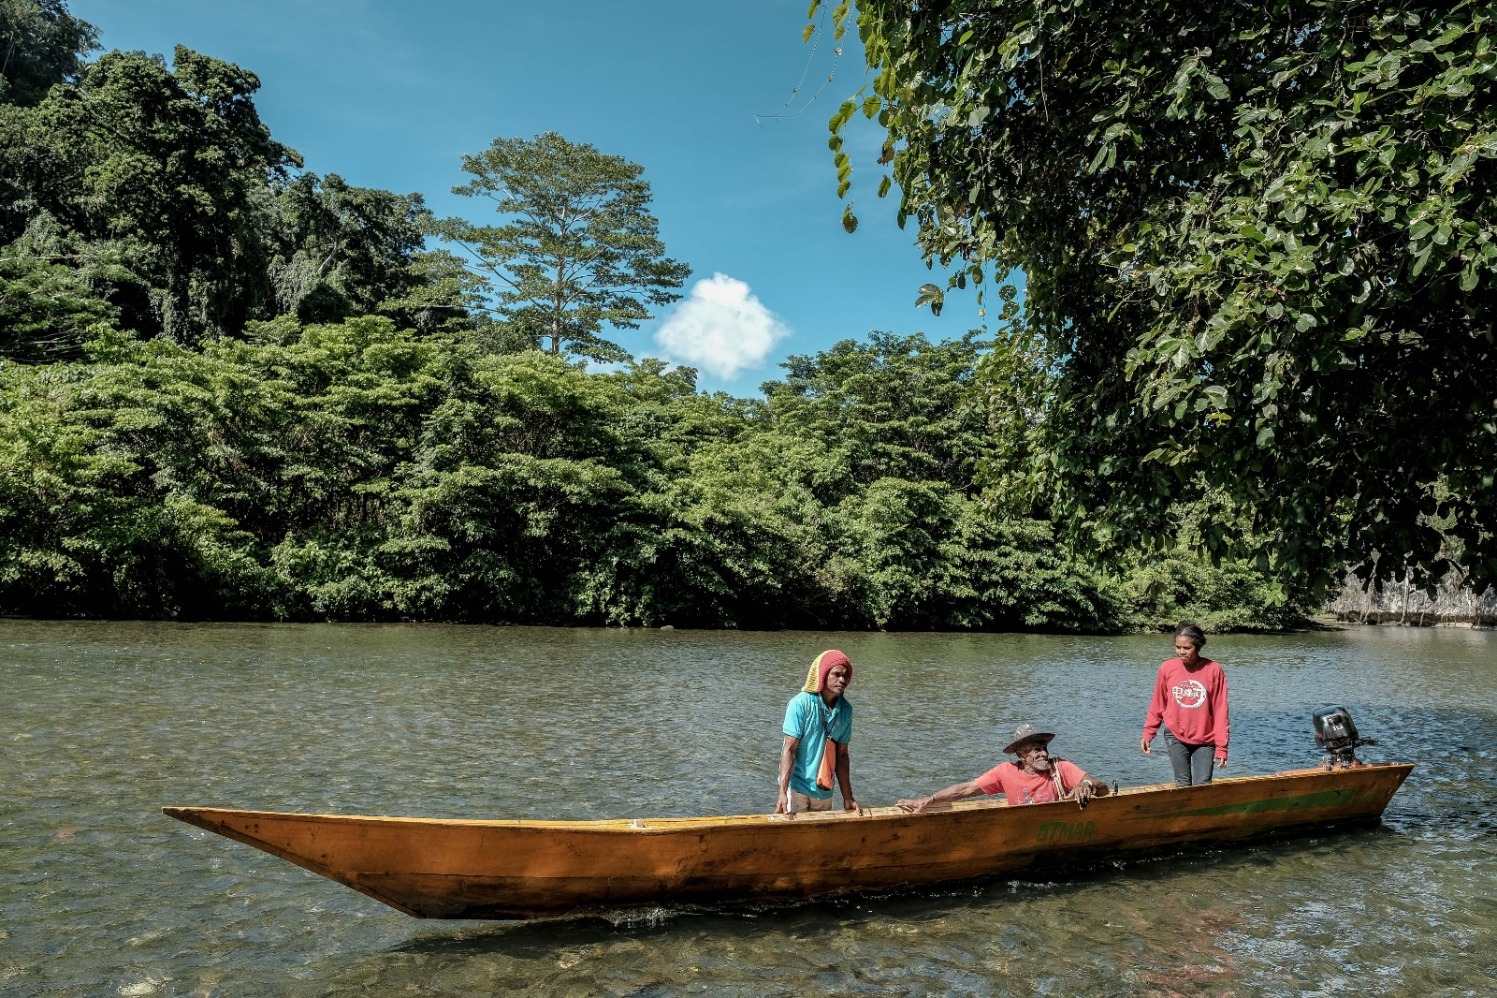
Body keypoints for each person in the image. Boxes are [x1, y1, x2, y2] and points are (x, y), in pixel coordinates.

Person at [896, 723, 1108, 812]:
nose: (1043, 753)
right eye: (1035, 749)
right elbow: (966, 789)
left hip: (1056, 831)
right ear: (1020, 755)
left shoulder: (1060, 767)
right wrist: (929, 799)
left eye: (1044, 748)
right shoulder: (1005, 772)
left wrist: (1086, 785)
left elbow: (1103, 788)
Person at [1141, 623, 1230, 786]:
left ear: (1197, 646)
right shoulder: (1167, 668)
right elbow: (1158, 703)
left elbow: (1220, 712)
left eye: (1186, 648)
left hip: (1205, 738)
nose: (1181, 652)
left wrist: (1222, 747)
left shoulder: (1214, 670)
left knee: (1203, 784)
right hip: (1175, 735)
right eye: (1178, 647)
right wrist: (1149, 732)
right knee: (1182, 783)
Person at [776, 649, 857, 815]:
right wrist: (782, 793)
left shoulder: (845, 709)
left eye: (845, 675)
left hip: (824, 790)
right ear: (823, 674)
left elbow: (842, 755)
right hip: (797, 789)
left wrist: (848, 796)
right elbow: (789, 750)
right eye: (836, 674)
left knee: (818, 839)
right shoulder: (800, 704)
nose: (842, 680)